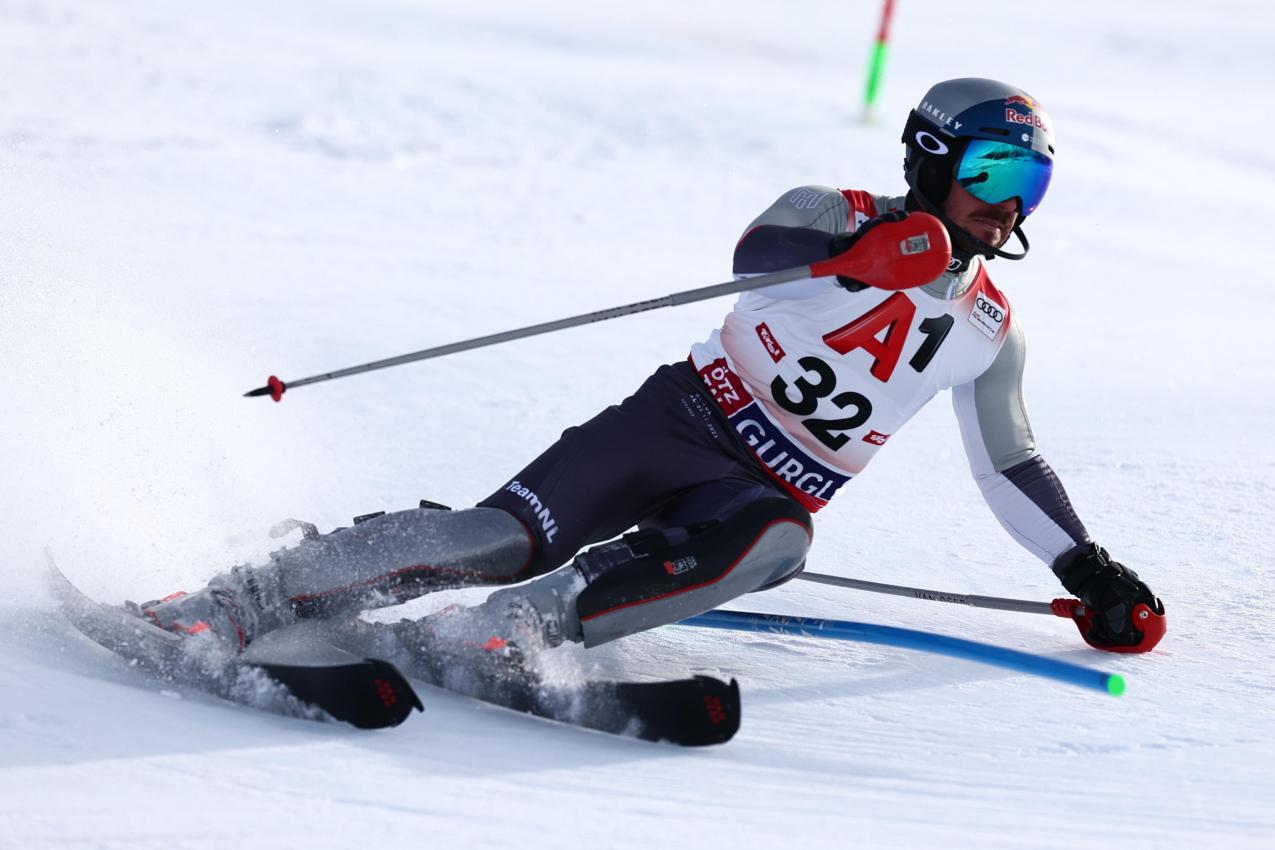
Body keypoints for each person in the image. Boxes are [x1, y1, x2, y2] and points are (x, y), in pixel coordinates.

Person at [141, 78, 1165, 663]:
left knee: (780, 538)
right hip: (673, 423)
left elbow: (1009, 463)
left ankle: (505, 639)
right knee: (499, 536)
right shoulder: (838, 211)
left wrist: (1089, 570)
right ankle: (245, 595)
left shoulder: (990, 326)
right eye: (991, 172)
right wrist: (862, 255)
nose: (1010, 203)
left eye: (1030, 182)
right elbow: (753, 256)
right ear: (934, 159)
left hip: (754, 489)